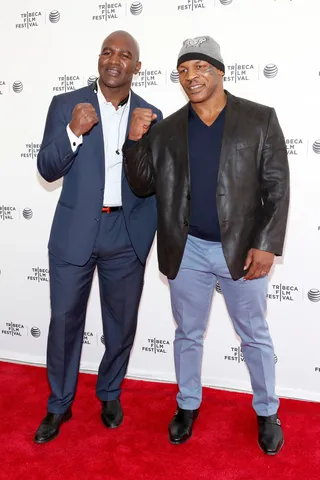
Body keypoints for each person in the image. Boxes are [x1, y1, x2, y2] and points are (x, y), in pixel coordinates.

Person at [124, 36, 289, 455]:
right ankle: (187, 405)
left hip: (242, 251)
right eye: (183, 70)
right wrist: (134, 140)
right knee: (188, 334)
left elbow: (276, 187)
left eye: (199, 68)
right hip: (188, 249)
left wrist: (267, 244)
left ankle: (268, 411)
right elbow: (143, 185)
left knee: (254, 334)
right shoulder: (166, 130)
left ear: (219, 71)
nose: (190, 77)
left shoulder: (259, 119)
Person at [35, 30, 162, 444]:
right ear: (98, 59)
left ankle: (109, 392)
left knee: (121, 324)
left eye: (125, 55)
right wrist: (73, 132)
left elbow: (150, 183)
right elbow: (48, 168)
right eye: (108, 51)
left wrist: (139, 143)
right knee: (65, 321)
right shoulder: (66, 104)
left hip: (126, 232)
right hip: (75, 231)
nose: (115, 59)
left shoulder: (150, 114)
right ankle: (59, 404)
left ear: (136, 68)